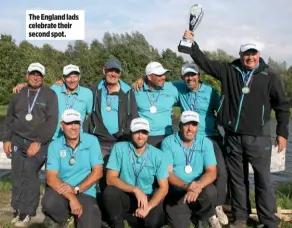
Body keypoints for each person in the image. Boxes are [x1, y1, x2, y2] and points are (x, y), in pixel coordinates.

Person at [185, 30, 290, 228]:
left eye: (253, 54)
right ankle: (241, 218)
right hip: (232, 136)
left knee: (264, 180)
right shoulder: (229, 71)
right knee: (238, 180)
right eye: (246, 54)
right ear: (241, 55)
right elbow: (205, 63)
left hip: (258, 137)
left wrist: (282, 133)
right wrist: (192, 44)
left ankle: (269, 221)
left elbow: (282, 106)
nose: (250, 57)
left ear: (258, 55)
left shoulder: (269, 76)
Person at [3, 62, 58, 227]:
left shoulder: (50, 95)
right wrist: (7, 138)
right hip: (18, 140)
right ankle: (18, 209)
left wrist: (39, 142)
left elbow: (52, 121)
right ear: (27, 75)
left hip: (39, 143)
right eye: (33, 73)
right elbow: (10, 118)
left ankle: (27, 212)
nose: (36, 77)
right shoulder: (18, 94)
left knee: (30, 174)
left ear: (43, 77)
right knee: (17, 174)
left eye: (39, 74)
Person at [172, 63, 228, 225]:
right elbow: (161, 83)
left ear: (199, 76)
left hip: (210, 136)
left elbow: (223, 110)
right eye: (186, 76)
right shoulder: (180, 88)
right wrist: (141, 79)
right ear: (183, 78)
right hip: (188, 138)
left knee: (221, 172)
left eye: (193, 75)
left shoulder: (210, 91)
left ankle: (217, 206)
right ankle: (204, 212)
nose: (190, 78)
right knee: (193, 173)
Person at [41, 109, 104, 228]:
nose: (74, 127)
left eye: (76, 123)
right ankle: (65, 217)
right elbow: (51, 178)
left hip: (85, 191)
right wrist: (71, 197)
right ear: (62, 125)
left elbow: (98, 172)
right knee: (48, 203)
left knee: (91, 225)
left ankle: (79, 214)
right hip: (61, 190)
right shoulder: (54, 145)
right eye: (69, 123)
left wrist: (75, 190)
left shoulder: (92, 141)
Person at [103, 117, 169, 228]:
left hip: (147, 197)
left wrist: (148, 207)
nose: (140, 136)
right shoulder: (119, 148)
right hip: (126, 194)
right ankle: (117, 223)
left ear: (148, 134)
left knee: (154, 222)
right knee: (110, 192)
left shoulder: (158, 155)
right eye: (136, 132)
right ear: (131, 133)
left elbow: (164, 187)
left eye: (144, 132)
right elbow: (110, 179)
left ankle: (135, 216)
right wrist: (135, 189)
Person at [161, 110, 221, 228]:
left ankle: (202, 216)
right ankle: (193, 214)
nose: (190, 128)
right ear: (179, 126)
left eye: (193, 124)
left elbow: (212, 172)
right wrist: (186, 186)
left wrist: (197, 186)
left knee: (210, 192)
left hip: (199, 189)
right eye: (186, 124)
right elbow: (168, 173)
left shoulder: (206, 143)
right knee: (179, 225)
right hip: (177, 190)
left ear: (197, 126)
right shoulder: (168, 142)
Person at [12, 64, 93, 139]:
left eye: (75, 76)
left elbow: (89, 116)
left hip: (76, 138)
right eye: (68, 77)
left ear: (79, 77)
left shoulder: (87, 93)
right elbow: (39, 90)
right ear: (63, 78)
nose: (72, 80)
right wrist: (26, 85)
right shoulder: (55, 88)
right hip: (54, 137)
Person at [89, 59, 139, 159]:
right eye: (110, 70)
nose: (113, 74)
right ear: (104, 71)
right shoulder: (94, 90)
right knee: (99, 172)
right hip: (99, 142)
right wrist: (62, 81)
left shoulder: (128, 92)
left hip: (121, 142)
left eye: (117, 71)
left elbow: (134, 116)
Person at [133, 61, 179, 147]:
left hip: (167, 136)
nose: (164, 77)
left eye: (164, 74)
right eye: (159, 75)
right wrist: (142, 78)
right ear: (149, 77)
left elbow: (191, 82)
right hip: (143, 137)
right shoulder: (136, 89)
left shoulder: (172, 87)